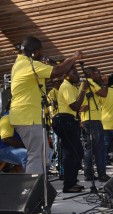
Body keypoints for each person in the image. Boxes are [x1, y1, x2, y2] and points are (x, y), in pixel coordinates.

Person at [9, 35, 83, 174]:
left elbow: (56, 70)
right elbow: (57, 71)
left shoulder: (26, 64)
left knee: (44, 155)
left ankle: (39, 188)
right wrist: (73, 58)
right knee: (36, 155)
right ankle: (33, 191)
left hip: (30, 116)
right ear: (34, 52)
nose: (42, 54)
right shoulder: (28, 65)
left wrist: (51, 63)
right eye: (40, 51)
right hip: (27, 116)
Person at [52, 67, 87, 193]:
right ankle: (68, 185)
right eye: (74, 73)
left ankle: (72, 181)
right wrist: (83, 90)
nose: (77, 75)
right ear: (66, 76)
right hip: (64, 120)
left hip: (70, 119)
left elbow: (75, 106)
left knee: (78, 152)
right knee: (71, 153)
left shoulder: (72, 87)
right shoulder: (66, 86)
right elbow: (74, 105)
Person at [80, 66, 110, 182]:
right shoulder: (91, 82)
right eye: (98, 72)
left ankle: (88, 174)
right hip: (93, 120)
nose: (100, 74)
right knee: (99, 149)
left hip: (89, 119)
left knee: (90, 148)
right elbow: (103, 93)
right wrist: (105, 83)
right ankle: (102, 174)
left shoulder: (88, 83)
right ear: (91, 74)